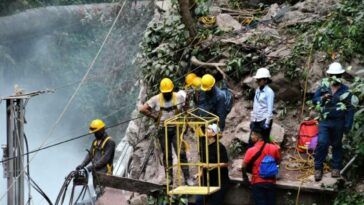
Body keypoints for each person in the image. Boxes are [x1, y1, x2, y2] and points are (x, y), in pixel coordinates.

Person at [139, 78, 192, 185]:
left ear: (172, 90)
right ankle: (169, 178)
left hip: (176, 128)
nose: (167, 94)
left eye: (168, 92)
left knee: (181, 153)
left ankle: (187, 178)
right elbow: (143, 109)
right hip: (163, 130)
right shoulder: (156, 99)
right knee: (167, 154)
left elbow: (186, 106)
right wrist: (154, 116)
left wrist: (186, 117)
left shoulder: (179, 97)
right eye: (165, 92)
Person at [312, 62, 355, 181]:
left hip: (339, 121)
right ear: (329, 75)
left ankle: (336, 168)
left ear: (340, 76)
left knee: (337, 144)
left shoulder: (346, 90)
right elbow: (314, 100)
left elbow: (350, 108)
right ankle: (318, 168)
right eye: (332, 75)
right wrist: (322, 98)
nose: (335, 77)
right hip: (325, 121)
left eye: (337, 75)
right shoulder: (323, 87)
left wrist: (348, 124)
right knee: (322, 143)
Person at [76, 119, 116, 197]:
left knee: (105, 195)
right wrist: (82, 164)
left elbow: (105, 159)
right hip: (96, 175)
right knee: (98, 194)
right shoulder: (95, 142)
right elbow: (90, 155)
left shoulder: (110, 142)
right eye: (94, 133)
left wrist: (90, 167)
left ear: (102, 130)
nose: (95, 134)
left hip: (105, 175)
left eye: (96, 132)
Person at [242, 127, 281, 205]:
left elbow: (243, 166)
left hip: (257, 182)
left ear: (257, 137)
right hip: (271, 182)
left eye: (252, 135)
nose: (251, 137)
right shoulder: (274, 148)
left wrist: (245, 176)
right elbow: (278, 161)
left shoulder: (251, 150)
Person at [195, 124, 230, 205]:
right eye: (207, 128)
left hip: (219, 181)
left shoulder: (220, 147)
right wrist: (200, 173)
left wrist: (210, 165)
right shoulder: (203, 145)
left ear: (214, 134)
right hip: (206, 180)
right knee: (199, 201)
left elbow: (225, 163)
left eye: (209, 129)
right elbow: (202, 162)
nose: (206, 130)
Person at [249, 68, 275, 145]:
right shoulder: (257, 90)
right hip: (256, 118)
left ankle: (264, 156)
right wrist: (253, 118)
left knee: (264, 141)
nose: (257, 81)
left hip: (264, 119)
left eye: (259, 80)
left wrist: (267, 122)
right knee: (252, 141)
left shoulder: (269, 92)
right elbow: (256, 104)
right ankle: (252, 155)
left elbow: (270, 109)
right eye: (257, 79)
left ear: (265, 80)